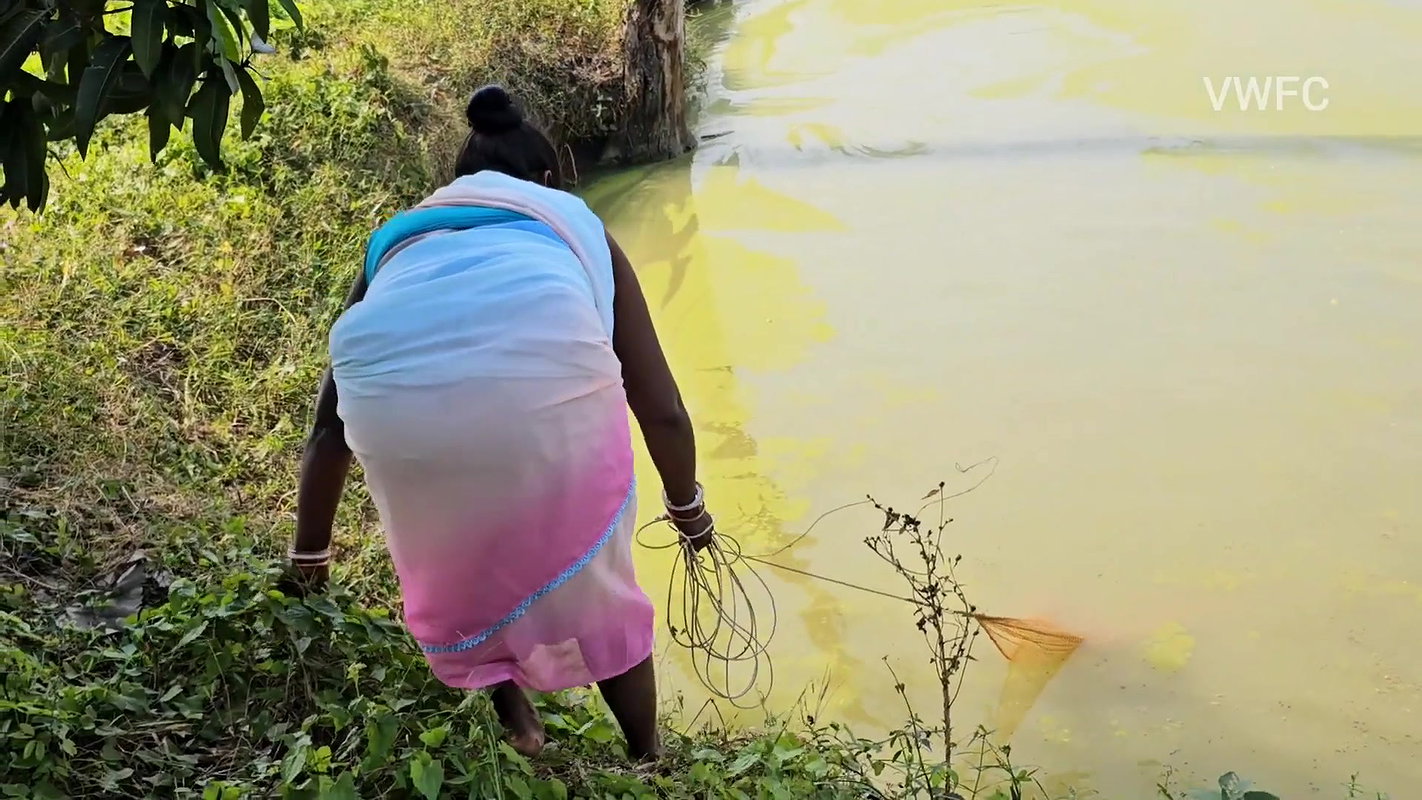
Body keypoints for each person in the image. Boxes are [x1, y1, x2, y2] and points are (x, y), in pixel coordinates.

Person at [287, 85, 715, 761]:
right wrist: (689, 510)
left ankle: (519, 721)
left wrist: (309, 558)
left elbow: (329, 428)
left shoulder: (397, 238)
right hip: (544, 420)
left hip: (401, 429)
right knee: (598, 593)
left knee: (468, 545)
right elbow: (659, 406)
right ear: (548, 179)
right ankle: (647, 756)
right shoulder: (575, 223)